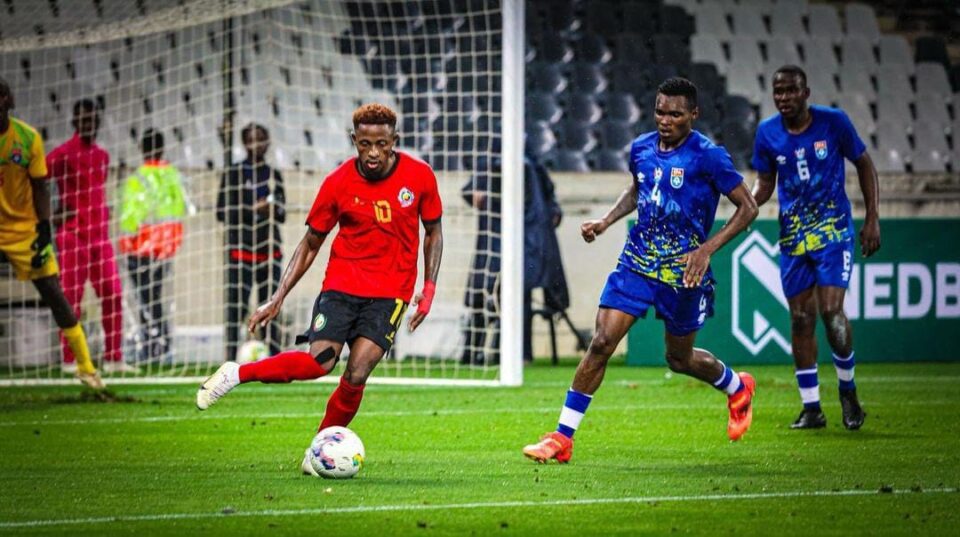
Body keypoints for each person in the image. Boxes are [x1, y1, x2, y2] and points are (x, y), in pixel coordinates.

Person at [195, 104, 443, 475]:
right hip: (342, 285)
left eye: (381, 144)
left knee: (357, 372)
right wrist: (278, 297)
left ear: (395, 140)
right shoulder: (338, 182)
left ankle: (316, 452)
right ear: (354, 141)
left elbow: (434, 232)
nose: (373, 153)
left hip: (390, 293)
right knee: (318, 364)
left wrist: (429, 288)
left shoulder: (419, 176)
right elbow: (310, 243)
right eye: (365, 144)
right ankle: (236, 374)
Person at [522, 78, 759, 463]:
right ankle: (562, 437)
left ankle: (736, 386)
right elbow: (638, 190)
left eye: (675, 114)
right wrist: (606, 221)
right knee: (602, 342)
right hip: (637, 261)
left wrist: (706, 250)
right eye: (660, 112)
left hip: (683, 272)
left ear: (694, 114)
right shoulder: (642, 147)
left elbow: (748, 207)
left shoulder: (709, 156)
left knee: (679, 359)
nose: (665, 120)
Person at [751, 65, 879, 430]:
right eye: (778, 91)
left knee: (831, 312)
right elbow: (765, 182)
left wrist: (872, 217)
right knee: (800, 318)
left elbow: (864, 163)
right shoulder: (767, 133)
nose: (784, 97)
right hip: (793, 237)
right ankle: (812, 408)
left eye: (791, 90)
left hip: (833, 232)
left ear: (806, 93)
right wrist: (747, 206)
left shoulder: (833, 122)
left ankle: (848, 390)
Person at [0, 77, 103, 389]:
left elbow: (41, 186)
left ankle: (86, 368)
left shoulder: (27, 138)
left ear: (8, 100)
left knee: (56, 296)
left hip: (24, 231)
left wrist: (44, 227)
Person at [47, 99, 134, 374]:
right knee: (71, 299)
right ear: (74, 122)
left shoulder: (102, 156)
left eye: (92, 120)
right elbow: (36, 178)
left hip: (100, 237)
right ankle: (70, 360)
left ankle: (114, 358)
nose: (88, 124)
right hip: (73, 236)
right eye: (83, 119)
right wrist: (50, 213)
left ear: (98, 122)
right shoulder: (62, 154)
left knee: (113, 294)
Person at [460, 149, 566, 365]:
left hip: (527, 241)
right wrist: (474, 194)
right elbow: (470, 190)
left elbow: (550, 196)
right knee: (485, 291)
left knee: (519, 291)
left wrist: (554, 211)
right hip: (495, 238)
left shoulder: (531, 165)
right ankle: (476, 350)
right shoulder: (491, 163)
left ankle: (514, 351)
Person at [216, 123, 286, 361]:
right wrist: (252, 209)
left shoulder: (273, 174)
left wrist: (271, 209)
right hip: (241, 252)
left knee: (271, 306)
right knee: (236, 308)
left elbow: (282, 214)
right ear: (244, 143)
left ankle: (274, 357)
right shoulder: (234, 173)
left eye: (262, 139)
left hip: (269, 252)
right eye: (252, 139)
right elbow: (221, 212)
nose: (258, 144)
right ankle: (229, 358)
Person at [118, 128, 188, 364]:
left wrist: (126, 243)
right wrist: (172, 244)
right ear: (162, 147)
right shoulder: (173, 176)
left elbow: (130, 215)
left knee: (145, 298)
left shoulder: (138, 178)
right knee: (154, 297)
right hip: (164, 249)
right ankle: (160, 345)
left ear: (142, 148)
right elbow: (178, 211)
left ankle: (152, 346)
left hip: (139, 249)